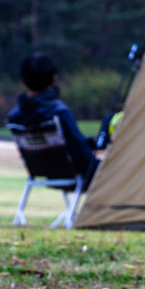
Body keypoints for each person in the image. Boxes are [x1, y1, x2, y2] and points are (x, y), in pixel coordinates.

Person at [8, 53, 99, 190]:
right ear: (54, 80)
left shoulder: (14, 117)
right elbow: (81, 153)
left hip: (46, 175)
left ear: (23, 81)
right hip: (79, 176)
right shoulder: (59, 113)